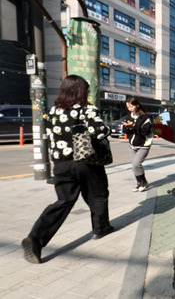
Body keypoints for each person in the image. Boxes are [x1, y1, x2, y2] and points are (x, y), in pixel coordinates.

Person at [22, 75, 114, 264]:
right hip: (85, 160)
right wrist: (106, 130)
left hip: (61, 164)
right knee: (98, 193)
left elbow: (50, 135)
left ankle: (35, 239)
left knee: (63, 201)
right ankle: (100, 228)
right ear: (81, 91)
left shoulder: (53, 111)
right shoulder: (86, 109)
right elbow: (100, 131)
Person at [122, 97, 154, 192]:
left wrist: (133, 126)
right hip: (132, 145)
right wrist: (127, 126)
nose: (130, 109)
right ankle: (140, 183)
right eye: (128, 107)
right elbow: (125, 131)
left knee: (136, 164)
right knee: (134, 165)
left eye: (131, 106)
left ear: (137, 105)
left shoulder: (146, 117)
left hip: (144, 145)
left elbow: (145, 132)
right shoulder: (128, 116)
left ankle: (142, 183)